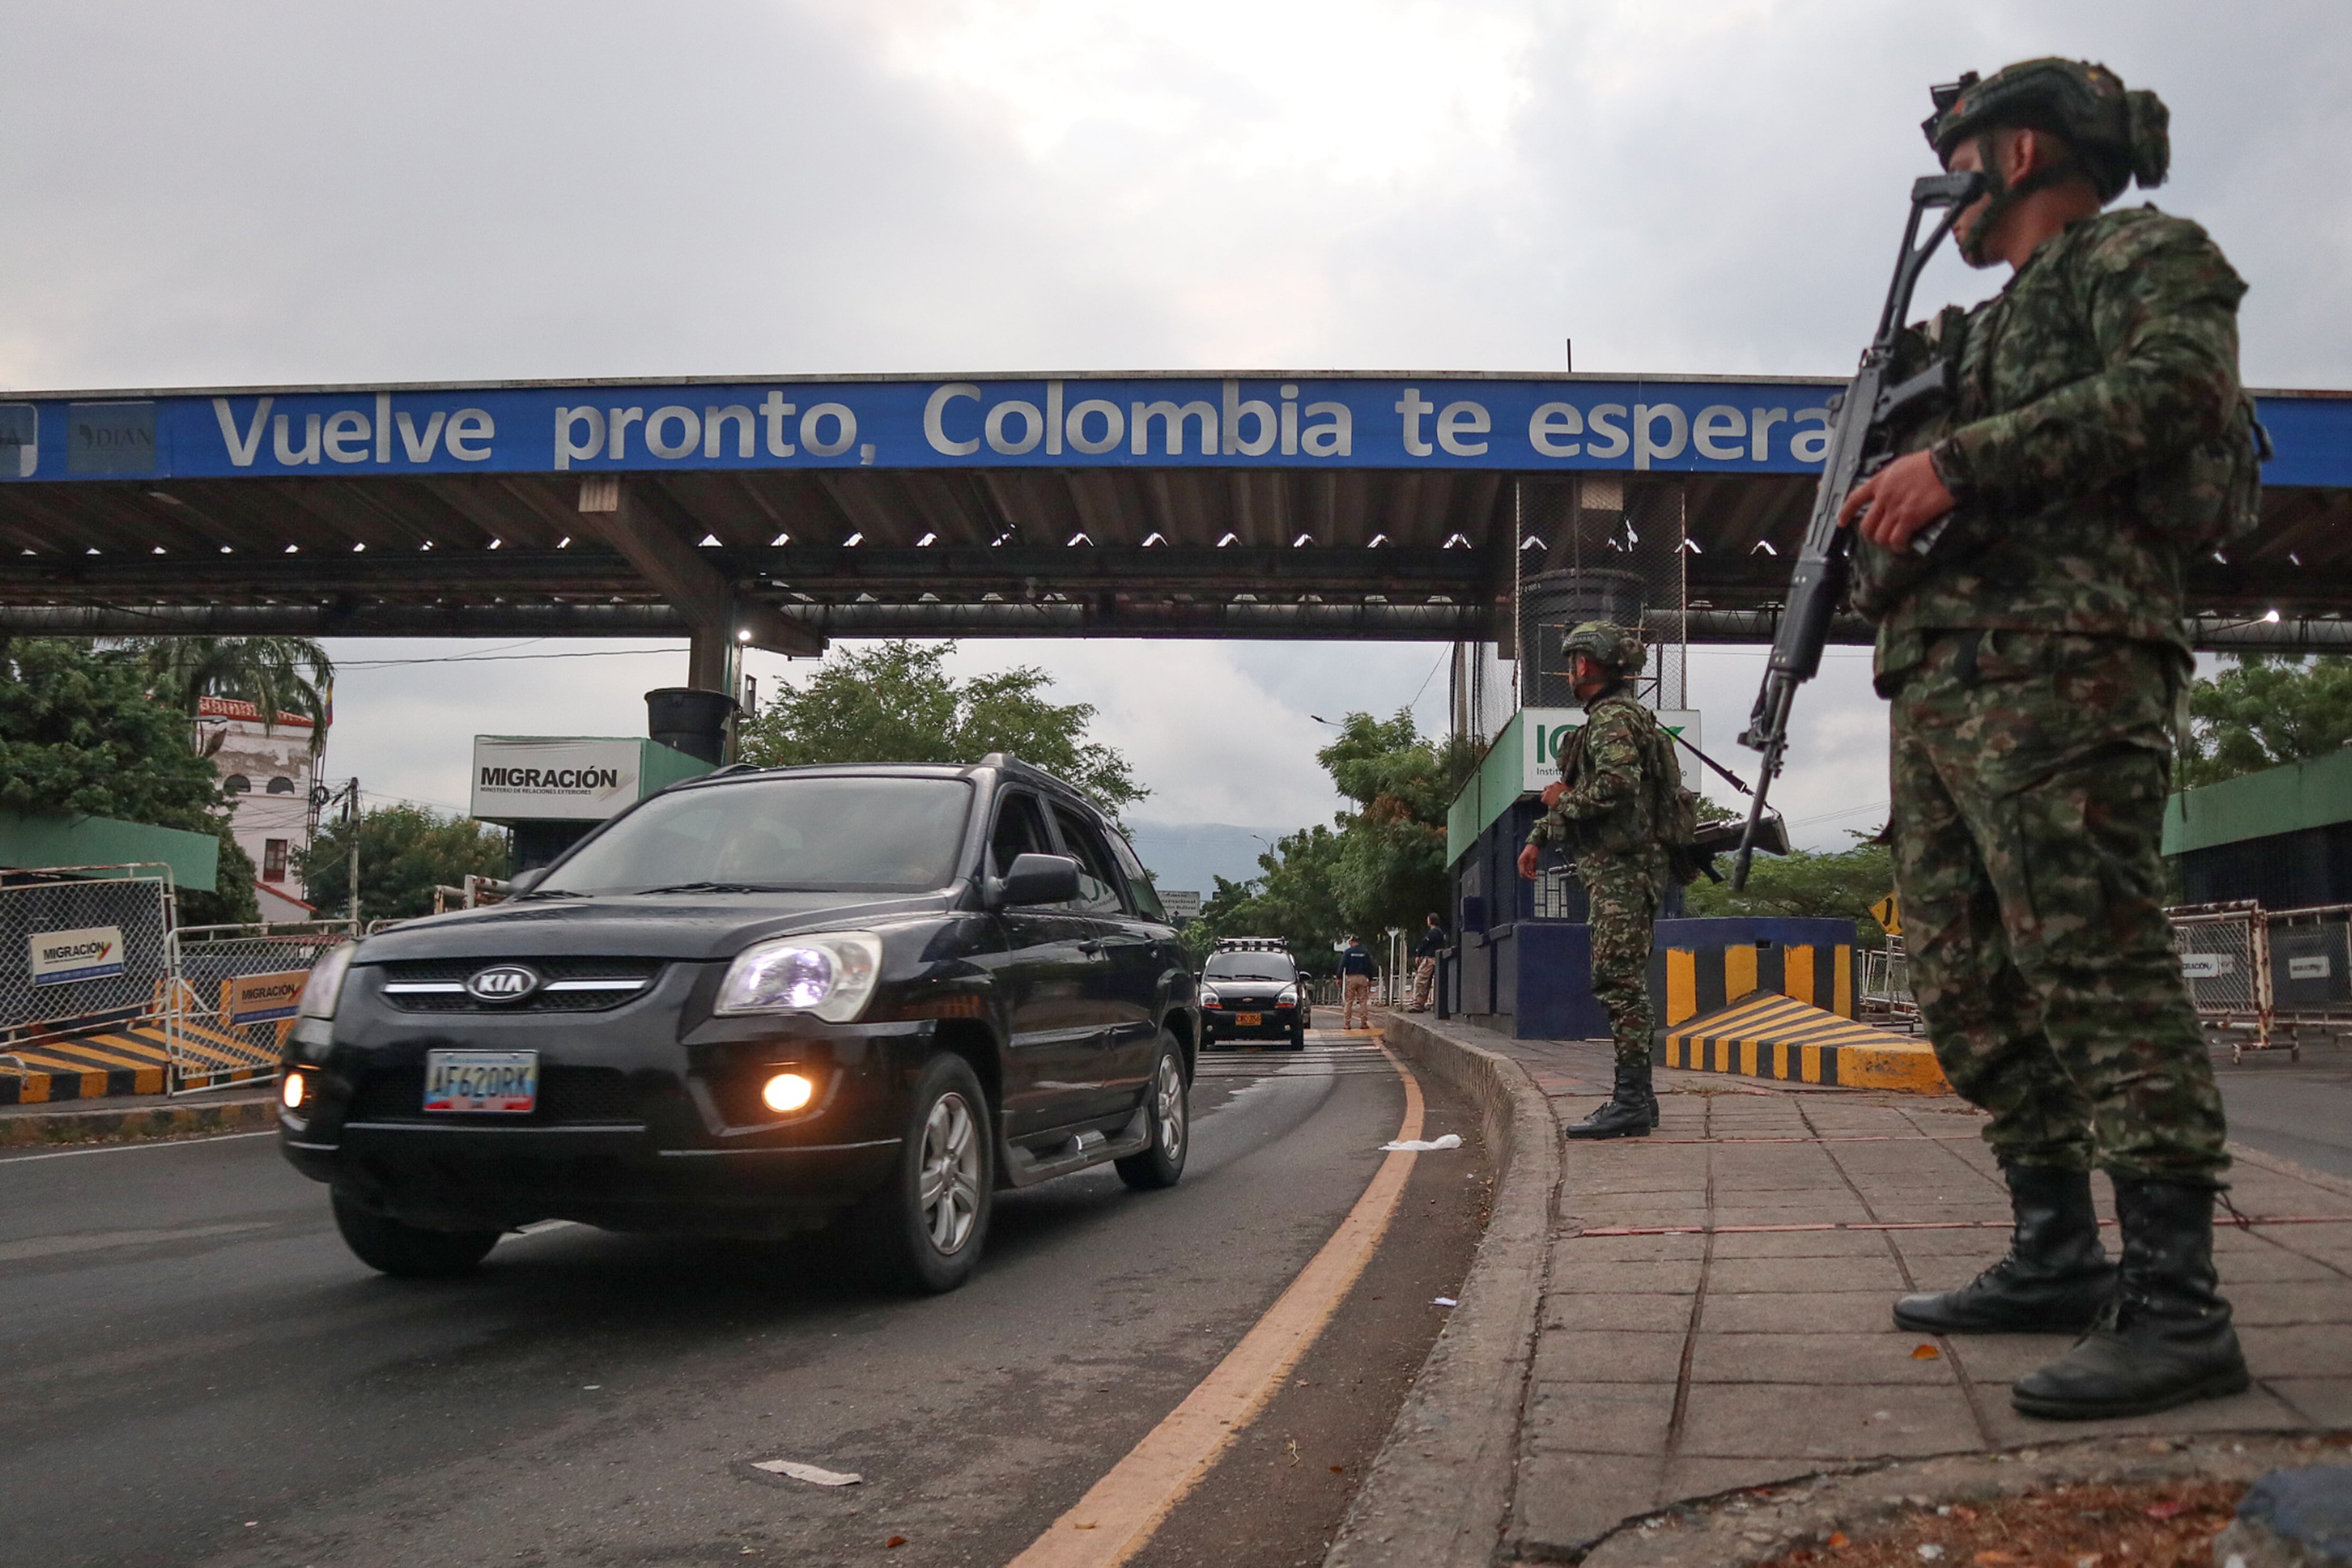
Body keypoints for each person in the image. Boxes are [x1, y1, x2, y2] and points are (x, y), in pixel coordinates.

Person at [1839, 59, 2253, 1420]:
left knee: (2097, 965)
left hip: (2069, 670)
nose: (1948, 186)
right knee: (1965, 981)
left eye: (1961, 154)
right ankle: (2055, 1250)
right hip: (1950, 685)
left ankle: (2180, 1306)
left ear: (2016, 152)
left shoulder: (2138, 256)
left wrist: (1956, 464)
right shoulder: (1982, 327)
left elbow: (2179, 390)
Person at [1516, 621, 1674, 1139]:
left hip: (1623, 870)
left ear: (1584, 665)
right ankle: (1640, 1101)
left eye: (1572, 662)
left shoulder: (1611, 718)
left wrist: (1560, 802)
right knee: (1620, 980)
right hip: (1619, 868)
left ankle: (1629, 1102)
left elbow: (1613, 786)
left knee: (1619, 982)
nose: (1569, 670)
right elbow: (1584, 790)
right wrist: (1540, 833)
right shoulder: (1615, 717)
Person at [1408, 912, 1446, 1011]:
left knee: (1421, 981)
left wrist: (1418, 954)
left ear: (1430, 921)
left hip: (1429, 960)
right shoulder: (1441, 933)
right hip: (1438, 959)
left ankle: (1418, 1005)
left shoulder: (1433, 933)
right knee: (1434, 983)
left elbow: (1425, 944)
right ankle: (1433, 1004)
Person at [1339, 935, 1375, 1030]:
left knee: (1349, 1001)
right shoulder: (1365, 952)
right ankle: (1364, 1023)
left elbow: (1342, 965)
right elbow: (1370, 967)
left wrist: (1339, 978)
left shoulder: (1348, 952)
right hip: (1363, 978)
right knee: (1363, 1001)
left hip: (1351, 978)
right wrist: (1370, 979)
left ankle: (1347, 1024)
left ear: (1352, 942)